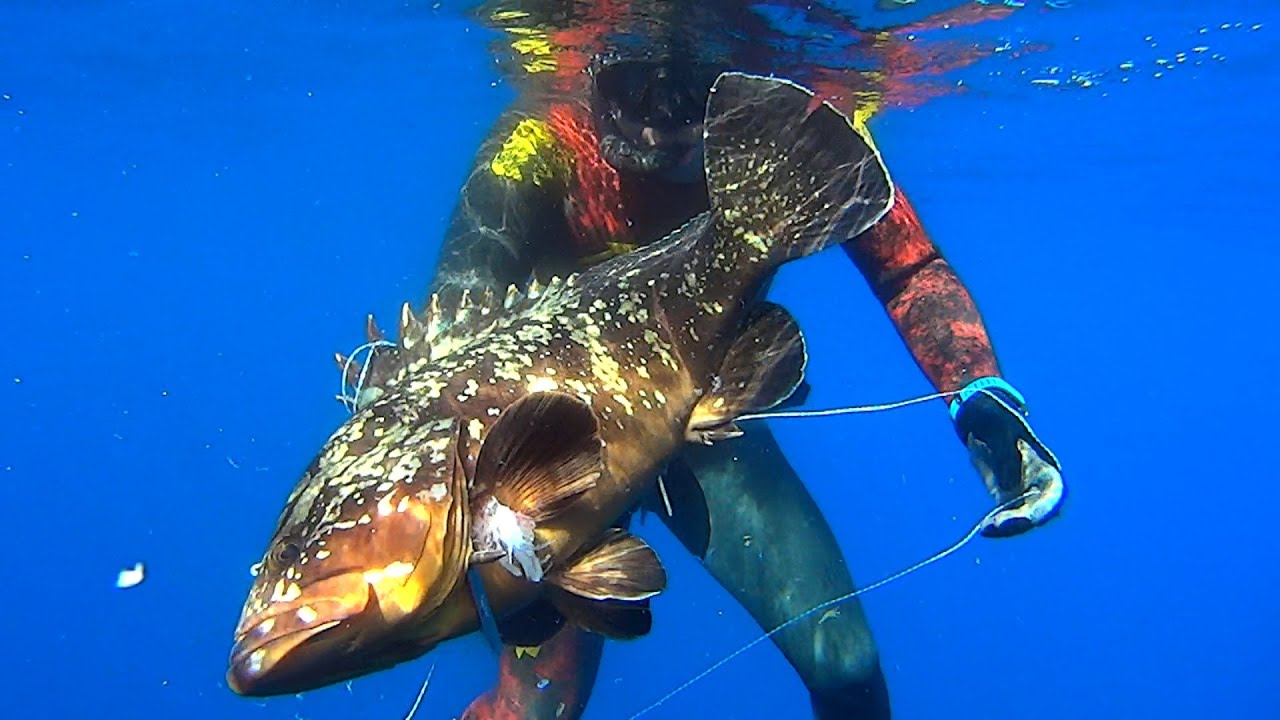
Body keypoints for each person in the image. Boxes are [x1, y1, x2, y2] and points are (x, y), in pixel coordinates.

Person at [424, 2, 1065, 717]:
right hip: (544, 463)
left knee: (843, 660)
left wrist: (981, 396)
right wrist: (483, 545)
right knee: (537, 708)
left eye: (696, 84)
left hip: (706, 426)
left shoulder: (787, 136)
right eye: (636, 81)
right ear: (594, 67)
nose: (660, 111)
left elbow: (907, 268)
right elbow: (459, 339)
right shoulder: (539, 145)